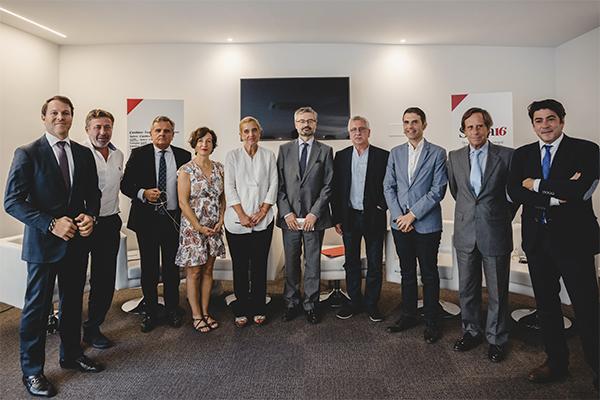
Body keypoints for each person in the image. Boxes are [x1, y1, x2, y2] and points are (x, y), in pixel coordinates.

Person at [4, 96, 103, 398]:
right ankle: (32, 372)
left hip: (75, 245)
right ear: (44, 117)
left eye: (66, 113)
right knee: (37, 310)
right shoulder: (27, 153)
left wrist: (91, 216)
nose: (61, 117)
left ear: (73, 118)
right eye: (55, 113)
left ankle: (71, 355)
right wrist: (50, 223)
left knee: (73, 304)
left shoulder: (84, 154)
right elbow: (12, 202)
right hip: (43, 246)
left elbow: (93, 195)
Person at [507, 99, 599, 389]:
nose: (545, 125)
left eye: (550, 119)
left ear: (562, 120)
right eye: (538, 120)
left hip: (574, 244)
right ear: (532, 124)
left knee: (587, 308)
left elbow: (580, 190)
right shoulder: (522, 154)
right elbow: (512, 192)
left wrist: (534, 184)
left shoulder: (586, 149)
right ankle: (556, 362)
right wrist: (556, 196)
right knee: (547, 307)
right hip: (537, 243)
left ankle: (597, 366)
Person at [447, 107, 515, 362]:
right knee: (467, 288)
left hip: (495, 229)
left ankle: (497, 338)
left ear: (489, 128)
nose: (474, 131)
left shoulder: (507, 156)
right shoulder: (453, 157)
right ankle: (471, 331)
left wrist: (498, 215)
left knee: (498, 290)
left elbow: (513, 195)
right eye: (469, 127)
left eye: (479, 126)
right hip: (465, 232)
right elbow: (457, 192)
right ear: (463, 131)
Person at [121, 116, 191, 333]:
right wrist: (143, 193)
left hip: (173, 220)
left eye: (167, 131)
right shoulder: (139, 154)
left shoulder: (184, 155)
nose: (162, 134)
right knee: (149, 268)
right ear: (151, 133)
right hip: (147, 221)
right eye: (158, 130)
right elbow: (125, 185)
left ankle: (172, 309)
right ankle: (150, 310)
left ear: (173, 133)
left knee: (172, 267)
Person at [383, 107, 448, 344]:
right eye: (406, 122)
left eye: (415, 122)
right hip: (400, 224)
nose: (410, 126)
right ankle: (408, 315)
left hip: (427, 225)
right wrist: (401, 216)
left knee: (429, 274)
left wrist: (413, 216)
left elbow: (437, 190)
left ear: (424, 124)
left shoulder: (438, 153)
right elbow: (388, 187)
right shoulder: (395, 153)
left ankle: (432, 321)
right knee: (407, 273)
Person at [276, 106, 334, 324]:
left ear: (316, 124)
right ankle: (291, 303)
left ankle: (311, 304)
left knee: (312, 263)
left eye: (309, 120)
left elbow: (328, 186)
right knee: (291, 262)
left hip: (313, 220)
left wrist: (314, 213)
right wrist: (286, 212)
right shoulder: (284, 150)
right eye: (301, 121)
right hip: (289, 219)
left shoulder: (325, 151)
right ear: (295, 124)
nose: (305, 124)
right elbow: (279, 185)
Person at [331, 116, 389, 322]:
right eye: (354, 129)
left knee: (374, 263)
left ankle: (372, 304)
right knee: (352, 262)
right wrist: (336, 217)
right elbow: (336, 189)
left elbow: (389, 186)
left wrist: (382, 206)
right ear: (349, 133)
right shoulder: (341, 156)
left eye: (362, 129)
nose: (358, 133)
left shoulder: (383, 156)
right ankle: (354, 301)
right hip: (349, 217)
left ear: (369, 132)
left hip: (373, 216)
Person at [224, 117, 277, 327]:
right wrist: (242, 215)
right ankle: (242, 307)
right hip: (237, 221)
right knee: (240, 266)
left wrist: (263, 210)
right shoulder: (232, 156)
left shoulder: (269, 155)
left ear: (260, 132)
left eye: (254, 130)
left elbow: (274, 183)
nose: (250, 135)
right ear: (240, 135)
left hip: (263, 220)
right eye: (245, 131)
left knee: (259, 265)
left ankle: (258, 305)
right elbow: (230, 187)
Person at [175, 127, 225, 333]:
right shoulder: (186, 169)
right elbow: (183, 202)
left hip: (213, 227)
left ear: (213, 145)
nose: (205, 144)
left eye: (209, 141)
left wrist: (221, 221)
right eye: (201, 141)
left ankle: (205, 311)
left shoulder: (220, 168)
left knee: (208, 270)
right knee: (194, 272)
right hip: (193, 228)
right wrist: (198, 227)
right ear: (194, 144)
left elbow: (222, 198)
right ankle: (196, 315)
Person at [81, 109, 124, 349]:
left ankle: (93, 328)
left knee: (104, 280)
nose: (102, 132)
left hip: (109, 223)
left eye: (107, 127)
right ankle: (68, 328)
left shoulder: (118, 155)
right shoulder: (78, 153)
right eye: (97, 127)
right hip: (83, 223)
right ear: (87, 129)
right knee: (75, 279)